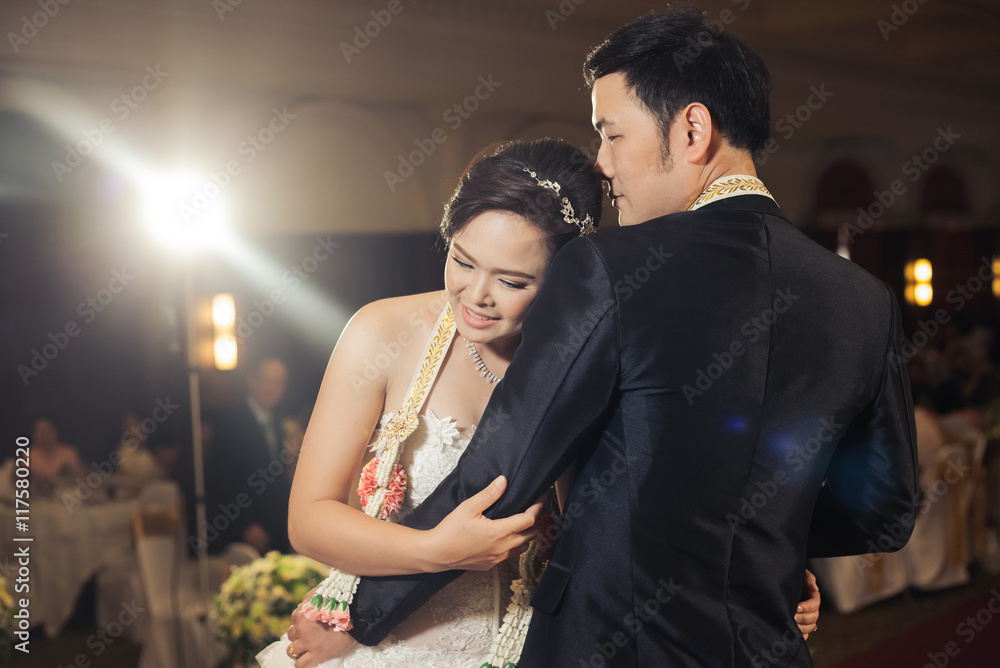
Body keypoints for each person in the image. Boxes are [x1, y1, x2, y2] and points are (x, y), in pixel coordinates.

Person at [302, 7, 917, 667]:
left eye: (612, 134)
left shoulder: (612, 268)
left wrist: (362, 619)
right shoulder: (865, 299)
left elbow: (502, 476)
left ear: (691, 129)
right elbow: (885, 509)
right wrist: (767, 540)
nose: (602, 165)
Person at [255, 139, 821, 668]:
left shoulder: (606, 361)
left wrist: (763, 583)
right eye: (463, 260)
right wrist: (437, 549)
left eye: (513, 281)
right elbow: (309, 520)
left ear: (566, 280)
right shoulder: (381, 332)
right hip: (372, 646)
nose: (476, 295)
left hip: (535, 648)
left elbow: (646, 521)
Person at [205, 356, 292, 555]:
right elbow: (220, 479)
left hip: (275, 525)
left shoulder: (277, 421)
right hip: (245, 527)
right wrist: (246, 525)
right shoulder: (231, 420)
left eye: (279, 382)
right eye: (267, 380)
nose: (273, 387)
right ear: (252, 380)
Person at [29, 418, 85, 485]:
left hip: (67, 493)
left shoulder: (69, 453)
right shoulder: (28, 454)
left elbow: (81, 479)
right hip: (37, 494)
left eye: (47, 431)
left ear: (55, 432)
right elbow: (19, 480)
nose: (44, 436)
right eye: (40, 432)